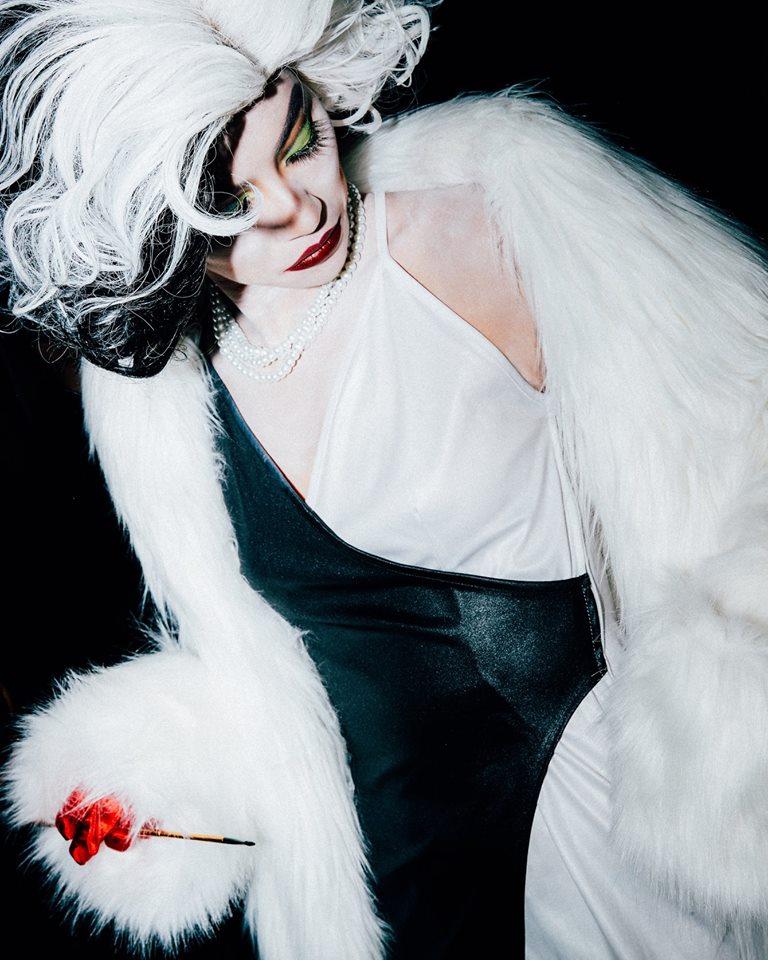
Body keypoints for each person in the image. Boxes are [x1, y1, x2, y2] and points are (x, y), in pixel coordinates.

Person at [2, 2, 767, 958]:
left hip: (609, 841)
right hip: (383, 895)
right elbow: (277, 675)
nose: (299, 208)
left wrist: (729, 701)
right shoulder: (157, 403)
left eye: (299, 144)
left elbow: (742, 425)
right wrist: (155, 778)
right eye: (231, 207)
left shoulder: (484, 213)